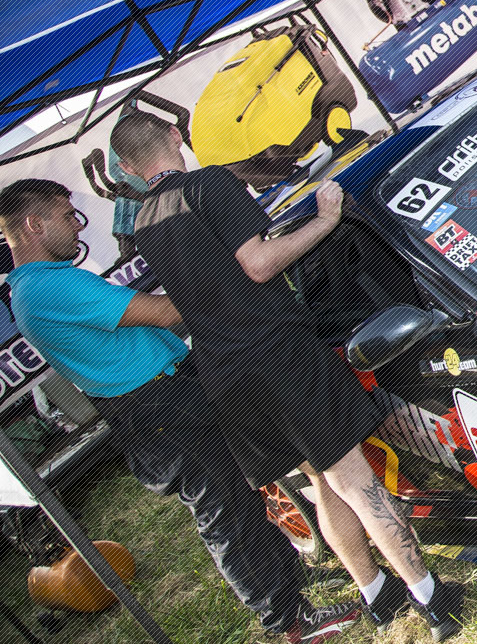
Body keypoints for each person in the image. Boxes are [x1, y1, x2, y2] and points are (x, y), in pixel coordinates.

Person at [109, 112, 468, 641]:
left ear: (127, 168)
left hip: (224, 372)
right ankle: (432, 599)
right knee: (354, 479)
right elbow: (258, 263)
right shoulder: (208, 184)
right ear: (175, 136)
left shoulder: (144, 222)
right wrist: (323, 220)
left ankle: (376, 594)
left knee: (321, 479)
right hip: (277, 353)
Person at [0, 178, 360, 643]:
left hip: (160, 390)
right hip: (154, 404)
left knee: (244, 486)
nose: (78, 226)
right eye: (67, 216)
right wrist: (228, 268)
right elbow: (165, 312)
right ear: (34, 224)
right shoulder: (48, 287)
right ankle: (288, 618)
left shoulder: (36, 285)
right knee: (225, 506)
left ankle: (288, 577)